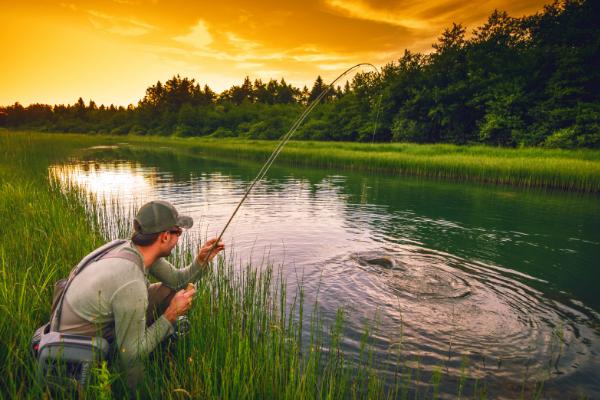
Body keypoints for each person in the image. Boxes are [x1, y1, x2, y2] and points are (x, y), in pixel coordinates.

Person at [57, 200, 224, 389]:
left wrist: (201, 261)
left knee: (170, 289)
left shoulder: (134, 249)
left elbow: (177, 282)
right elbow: (129, 354)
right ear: (164, 237)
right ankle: (131, 389)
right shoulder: (131, 282)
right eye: (178, 232)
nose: (179, 238)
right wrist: (170, 315)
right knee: (134, 365)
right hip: (80, 344)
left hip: (95, 319)